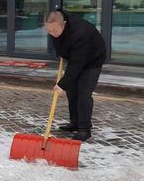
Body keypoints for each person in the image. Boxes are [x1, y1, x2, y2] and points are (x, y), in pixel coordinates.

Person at [44, 8, 106, 141]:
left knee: (83, 93)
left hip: (92, 60)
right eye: (49, 31)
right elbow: (59, 41)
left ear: (64, 24)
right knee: (72, 92)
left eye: (54, 31)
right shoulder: (56, 26)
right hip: (76, 58)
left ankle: (84, 129)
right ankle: (75, 123)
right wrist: (61, 52)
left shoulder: (80, 33)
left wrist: (62, 84)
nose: (52, 33)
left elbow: (78, 63)